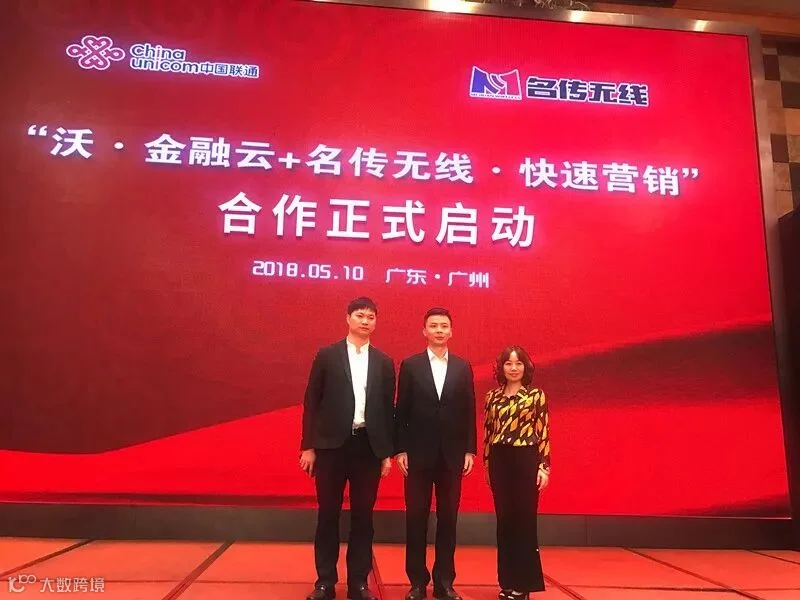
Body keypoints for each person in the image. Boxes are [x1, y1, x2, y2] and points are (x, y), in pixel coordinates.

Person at [299, 297, 396, 600]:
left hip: (368, 447)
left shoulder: (384, 362)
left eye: (371, 317)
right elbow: (312, 401)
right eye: (360, 315)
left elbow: (387, 410)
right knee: (328, 514)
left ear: (375, 322)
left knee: (363, 518)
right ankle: (325, 582)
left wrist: (386, 452)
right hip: (330, 447)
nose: (365, 321)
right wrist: (308, 446)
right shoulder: (327, 355)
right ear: (348, 318)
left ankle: (359, 584)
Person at [394, 307, 477, 600]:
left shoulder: (463, 367)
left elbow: (468, 410)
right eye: (433, 325)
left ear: (451, 331)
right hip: (417, 455)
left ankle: (444, 582)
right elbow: (401, 411)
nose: (439, 330)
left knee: (448, 519)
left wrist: (469, 449)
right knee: (416, 519)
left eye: (444, 326)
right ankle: (417, 582)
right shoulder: (410, 365)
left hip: (452, 456)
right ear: (424, 331)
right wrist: (400, 449)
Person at [483, 345, 550, 600]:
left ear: (526, 367)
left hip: (526, 459)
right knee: (505, 522)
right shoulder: (492, 397)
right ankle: (507, 582)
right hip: (499, 460)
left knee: (524, 521)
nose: (513, 368)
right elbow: (488, 432)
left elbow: (543, 431)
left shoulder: (535, 396)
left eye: (518, 363)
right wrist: (487, 465)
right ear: (501, 368)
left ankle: (524, 584)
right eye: (508, 364)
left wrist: (544, 467)